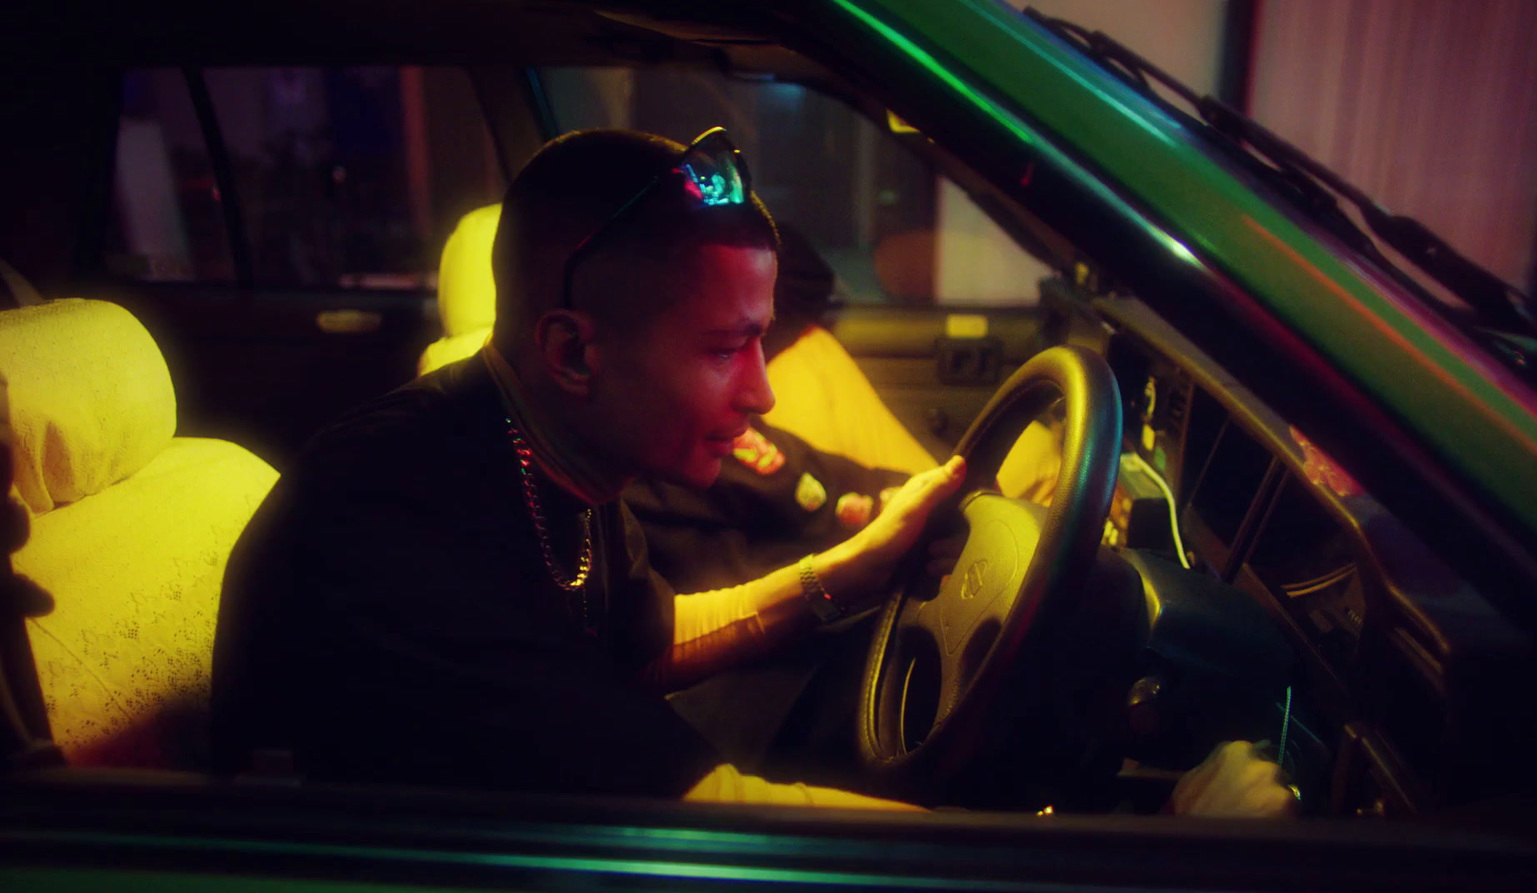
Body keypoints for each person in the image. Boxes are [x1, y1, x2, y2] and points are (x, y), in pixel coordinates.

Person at [211, 127, 1293, 815]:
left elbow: (646, 640)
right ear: (574, 349)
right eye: (728, 348)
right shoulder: (401, 519)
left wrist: (852, 571)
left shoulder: (549, 449)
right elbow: (716, 813)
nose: (764, 391)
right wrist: (1180, 858)